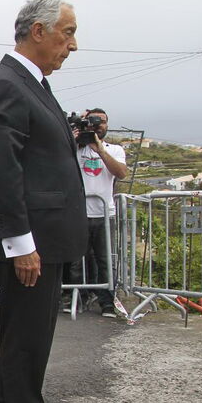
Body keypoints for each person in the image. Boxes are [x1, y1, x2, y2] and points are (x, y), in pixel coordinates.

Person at [0, 0, 87, 403]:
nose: (73, 45)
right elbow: (4, 170)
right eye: (67, 33)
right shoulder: (7, 84)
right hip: (29, 238)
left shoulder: (31, 83)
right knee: (25, 330)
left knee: (38, 329)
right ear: (37, 32)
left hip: (44, 235)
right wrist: (21, 245)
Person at [62, 108, 128, 317]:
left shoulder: (114, 150)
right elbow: (59, 161)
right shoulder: (75, 150)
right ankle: (76, 298)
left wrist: (99, 149)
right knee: (75, 261)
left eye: (102, 122)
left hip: (104, 214)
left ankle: (107, 302)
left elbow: (121, 173)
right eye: (93, 121)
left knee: (105, 260)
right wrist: (73, 135)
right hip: (78, 214)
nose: (98, 125)